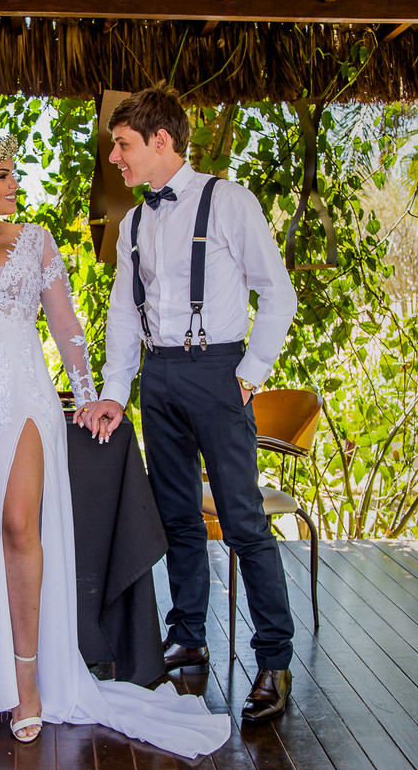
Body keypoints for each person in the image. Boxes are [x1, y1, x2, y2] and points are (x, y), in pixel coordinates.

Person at [0, 134, 229, 756]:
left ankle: (28, 683)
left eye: (14, 175)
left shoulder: (35, 240)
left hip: (24, 391)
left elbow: (67, 328)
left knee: (17, 528)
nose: (15, 185)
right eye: (5, 175)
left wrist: (88, 394)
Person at [79, 87, 300, 723]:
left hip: (217, 371)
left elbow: (276, 295)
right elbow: (123, 312)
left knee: (242, 521)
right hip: (161, 377)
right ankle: (188, 637)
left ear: (162, 142)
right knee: (176, 517)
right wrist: (116, 394)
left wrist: (250, 372)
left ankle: (275, 659)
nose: (115, 157)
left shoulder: (230, 202)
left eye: (123, 145)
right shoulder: (132, 222)